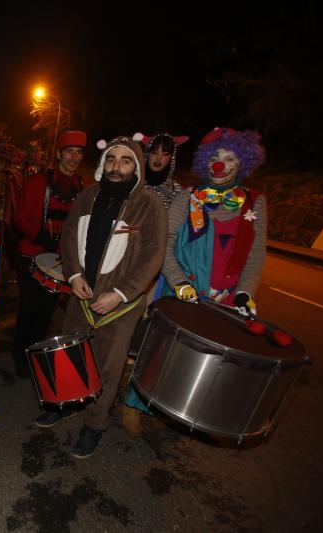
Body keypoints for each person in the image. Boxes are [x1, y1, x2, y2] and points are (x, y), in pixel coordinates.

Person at [59, 134, 167, 458]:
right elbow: (67, 236)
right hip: (82, 295)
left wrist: (120, 294)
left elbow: (153, 255)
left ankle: (95, 424)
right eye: (110, 159)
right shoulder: (88, 195)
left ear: (136, 167)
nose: (116, 167)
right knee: (70, 354)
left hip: (120, 306)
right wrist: (74, 275)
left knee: (108, 367)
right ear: (103, 164)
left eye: (125, 160)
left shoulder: (149, 204)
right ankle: (66, 404)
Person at [12, 130, 88, 426]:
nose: (73, 158)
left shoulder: (82, 187)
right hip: (33, 254)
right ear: (59, 154)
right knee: (29, 309)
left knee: (45, 313)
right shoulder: (37, 182)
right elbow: (20, 219)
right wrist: (42, 237)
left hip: (59, 261)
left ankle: (34, 355)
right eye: (68, 151)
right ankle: (20, 357)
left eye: (78, 153)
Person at [121, 132, 189, 436]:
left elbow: (170, 239)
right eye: (154, 152)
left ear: (172, 159)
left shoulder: (178, 193)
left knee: (147, 336)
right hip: (121, 265)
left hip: (156, 273)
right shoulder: (131, 183)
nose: (158, 158)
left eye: (165, 154)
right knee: (118, 329)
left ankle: (134, 399)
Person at [161, 127, 266, 311]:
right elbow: (163, 244)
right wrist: (179, 282)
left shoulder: (255, 202)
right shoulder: (187, 198)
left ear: (242, 163)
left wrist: (245, 292)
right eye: (214, 158)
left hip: (227, 302)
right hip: (183, 295)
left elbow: (255, 254)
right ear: (205, 162)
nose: (219, 165)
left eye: (229, 159)